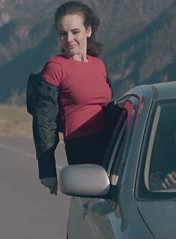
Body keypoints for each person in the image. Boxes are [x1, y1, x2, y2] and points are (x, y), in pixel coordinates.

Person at [29, 1, 113, 195]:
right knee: (92, 211)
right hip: (82, 149)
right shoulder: (56, 67)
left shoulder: (99, 65)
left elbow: (109, 108)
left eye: (75, 32)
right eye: (63, 34)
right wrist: (47, 170)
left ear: (88, 31)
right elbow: (44, 120)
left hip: (110, 146)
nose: (69, 39)